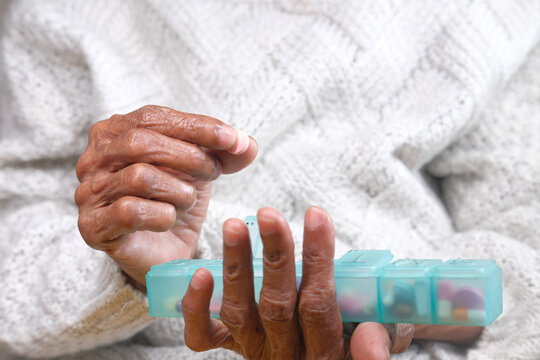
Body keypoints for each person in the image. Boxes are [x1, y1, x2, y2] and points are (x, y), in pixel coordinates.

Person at [0, 1, 539, 359]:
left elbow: (525, 239)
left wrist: (404, 313)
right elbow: (12, 261)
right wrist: (133, 269)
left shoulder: (494, 17)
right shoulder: (63, 15)